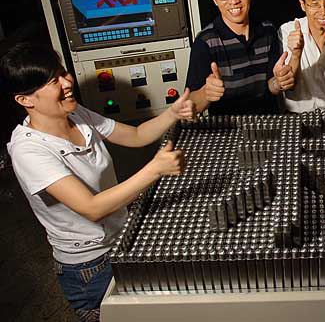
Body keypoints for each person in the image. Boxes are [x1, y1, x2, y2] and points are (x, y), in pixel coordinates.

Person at [1, 43, 194, 322]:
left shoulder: (76, 114)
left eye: (63, 73)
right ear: (25, 100)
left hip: (122, 238)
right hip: (89, 266)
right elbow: (92, 208)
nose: (68, 82)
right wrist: (155, 170)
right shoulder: (29, 151)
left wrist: (172, 113)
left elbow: (137, 135)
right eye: (53, 81)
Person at [185, 0, 293, 115]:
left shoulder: (267, 30)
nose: (233, 0)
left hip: (267, 123)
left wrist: (278, 82)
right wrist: (206, 93)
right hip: (227, 127)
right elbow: (190, 106)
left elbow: (270, 87)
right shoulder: (205, 42)